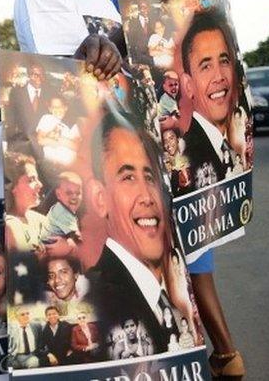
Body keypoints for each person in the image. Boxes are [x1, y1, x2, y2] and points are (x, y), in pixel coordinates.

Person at [119, 0, 243, 378]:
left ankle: (218, 355)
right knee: (188, 262)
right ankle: (224, 355)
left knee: (186, 257)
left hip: (166, 148)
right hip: (171, 148)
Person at [85, 108, 176, 357]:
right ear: (100, 198)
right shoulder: (94, 303)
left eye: (150, 177)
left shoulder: (172, 291)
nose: (147, 197)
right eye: (127, 177)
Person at [180, 7, 245, 189]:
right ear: (188, 85)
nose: (219, 77)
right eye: (206, 66)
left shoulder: (234, 144)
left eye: (224, 61)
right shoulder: (184, 157)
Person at [4, 153, 48, 254]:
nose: (40, 185)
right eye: (31, 180)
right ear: (12, 186)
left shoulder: (40, 220)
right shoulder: (9, 225)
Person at [34, 96, 80, 167]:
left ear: (65, 108)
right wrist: (67, 142)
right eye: (54, 107)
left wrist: (56, 140)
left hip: (69, 164)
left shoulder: (72, 124)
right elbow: (40, 140)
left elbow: (77, 146)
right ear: (50, 109)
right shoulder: (46, 118)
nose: (57, 109)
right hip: (50, 163)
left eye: (60, 106)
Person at [42, 172, 83, 247]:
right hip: (47, 249)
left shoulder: (64, 209)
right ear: (58, 194)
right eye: (69, 193)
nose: (74, 197)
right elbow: (78, 238)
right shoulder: (61, 212)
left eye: (78, 193)